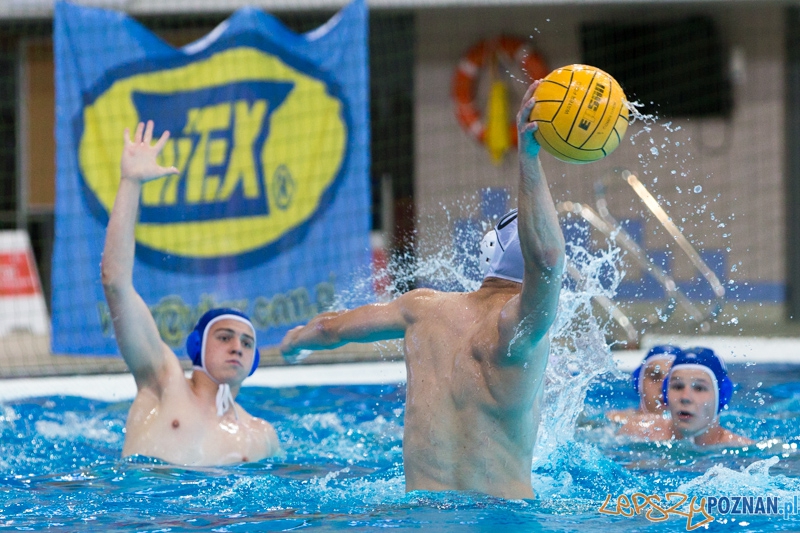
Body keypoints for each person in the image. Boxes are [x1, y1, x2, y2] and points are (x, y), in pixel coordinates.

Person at [280, 81, 565, 500]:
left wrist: (293, 343)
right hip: (503, 520)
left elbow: (329, 330)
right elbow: (547, 261)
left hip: (421, 515)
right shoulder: (517, 329)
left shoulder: (422, 308)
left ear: (487, 254)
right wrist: (530, 156)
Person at [102, 121, 280, 465]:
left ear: (254, 361)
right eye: (225, 337)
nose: (237, 348)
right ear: (197, 346)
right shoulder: (163, 382)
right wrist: (130, 183)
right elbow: (115, 282)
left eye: (247, 343)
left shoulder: (261, 435)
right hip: (143, 515)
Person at [618, 347, 753, 446]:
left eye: (699, 388)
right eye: (677, 386)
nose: (685, 397)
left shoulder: (742, 450)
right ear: (666, 393)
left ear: (722, 397)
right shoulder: (637, 433)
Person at [607, 345, 682, 424]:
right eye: (655, 377)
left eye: (674, 382)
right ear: (638, 381)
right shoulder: (614, 421)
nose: (663, 388)